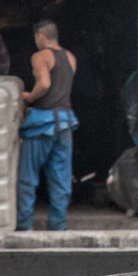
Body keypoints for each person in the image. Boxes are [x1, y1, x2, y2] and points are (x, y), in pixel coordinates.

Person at [17, 19, 79, 231]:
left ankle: (24, 225)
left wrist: (30, 97)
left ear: (40, 36)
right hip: (65, 121)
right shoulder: (70, 57)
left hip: (42, 122)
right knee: (61, 178)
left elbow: (44, 83)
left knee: (28, 178)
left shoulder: (40, 56)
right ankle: (58, 226)